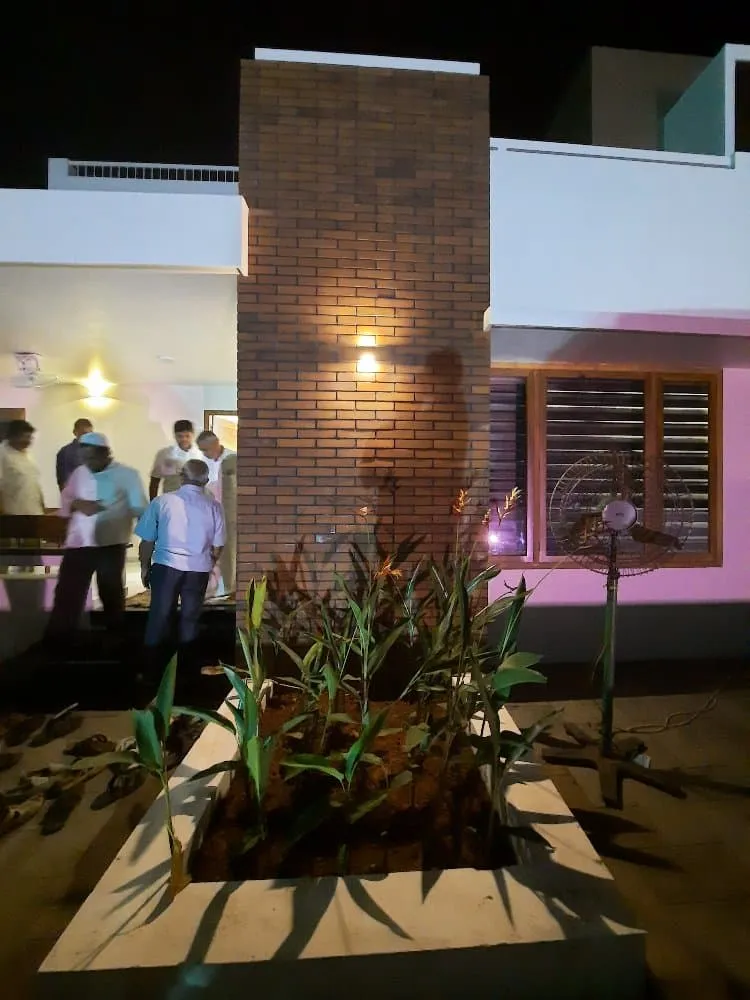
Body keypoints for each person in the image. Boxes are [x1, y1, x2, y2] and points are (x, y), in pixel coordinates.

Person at [47, 432, 148, 637]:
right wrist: (77, 503)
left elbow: (140, 509)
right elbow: (67, 498)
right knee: (68, 593)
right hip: (78, 543)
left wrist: (148, 544)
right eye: (84, 458)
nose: (87, 463)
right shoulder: (79, 473)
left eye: (91, 458)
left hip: (110, 544)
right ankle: (59, 642)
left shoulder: (128, 475)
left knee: (110, 593)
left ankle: (115, 641)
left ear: (106, 454)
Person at [135, 459, 225, 651]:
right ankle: (187, 666)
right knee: (190, 619)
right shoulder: (214, 507)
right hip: (198, 570)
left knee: (159, 617)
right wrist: (209, 563)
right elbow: (218, 546)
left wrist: (144, 567)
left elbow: (147, 541)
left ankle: (154, 669)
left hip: (166, 568)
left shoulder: (162, 502)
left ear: (182, 477)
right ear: (206, 479)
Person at [196, 430, 236, 599]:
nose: (205, 453)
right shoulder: (202, 462)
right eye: (202, 450)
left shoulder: (233, 459)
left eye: (206, 449)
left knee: (228, 550)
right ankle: (211, 587)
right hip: (209, 511)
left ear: (216, 444)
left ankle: (228, 586)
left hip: (229, 513)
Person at [149, 420, 202, 500]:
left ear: (193, 435)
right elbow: (155, 481)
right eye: (180, 436)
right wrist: (153, 505)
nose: (184, 439)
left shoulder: (200, 455)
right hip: (170, 499)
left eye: (187, 436)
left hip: (193, 501)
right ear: (175, 436)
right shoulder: (164, 454)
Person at [0, 420, 44, 515]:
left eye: (30, 438)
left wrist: (42, 505)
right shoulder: (2, 454)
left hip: (34, 512)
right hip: (13, 515)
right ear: (13, 436)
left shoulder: (27, 454)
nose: (29, 442)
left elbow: (32, 482)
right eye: (26, 437)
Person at [55, 418, 93, 492]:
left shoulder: (94, 451)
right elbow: (64, 482)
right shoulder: (66, 452)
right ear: (75, 432)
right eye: (84, 433)